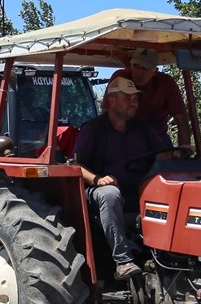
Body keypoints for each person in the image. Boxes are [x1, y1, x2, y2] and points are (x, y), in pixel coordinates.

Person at [74, 76, 169, 280]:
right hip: (99, 192)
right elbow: (76, 166)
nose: (133, 102)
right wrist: (97, 179)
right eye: (128, 98)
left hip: (138, 191)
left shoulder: (143, 129)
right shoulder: (93, 129)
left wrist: (171, 157)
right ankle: (122, 261)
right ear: (112, 99)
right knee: (110, 194)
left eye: (135, 98)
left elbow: (162, 154)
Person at [109, 48, 190, 147]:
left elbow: (181, 118)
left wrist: (184, 149)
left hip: (158, 137)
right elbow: (107, 112)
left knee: (168, 158)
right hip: (125, 137)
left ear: (154, 71)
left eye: (144, 68)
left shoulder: (166, 83)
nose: (138, 72)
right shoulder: (120, 79)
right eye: (136, 66)